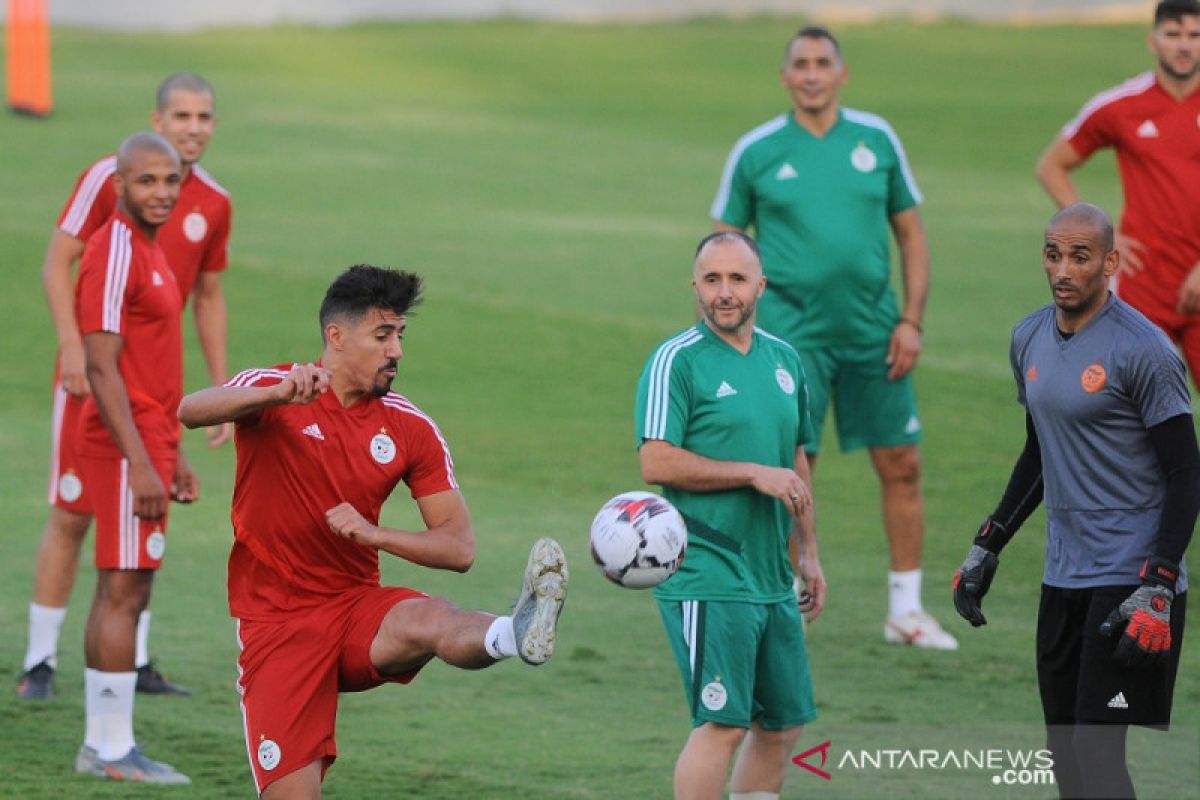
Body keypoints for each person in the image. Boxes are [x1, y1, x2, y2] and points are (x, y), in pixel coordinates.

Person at [176, 264, 568, 797]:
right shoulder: (272, 388)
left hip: (355, 608)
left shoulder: (410, 426)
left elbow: (459, 547)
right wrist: (275, 397)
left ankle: (514, 634)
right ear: (336, 337)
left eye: (400, 335)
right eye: (383, 335)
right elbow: (191, 410)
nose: (397, 351)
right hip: (277, 625)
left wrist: (375, 535)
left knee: (432, 617)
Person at [710, 25, 955, 649]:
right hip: (792, 341)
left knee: (902, 463)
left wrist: (912, 320)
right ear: (785, 77)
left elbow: (912, 234)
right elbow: (722, 249)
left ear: (842, 73)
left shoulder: (876, 139)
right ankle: (790, 597)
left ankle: (906, 610)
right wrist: (736, 330)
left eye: (824, 62)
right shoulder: (758, 151)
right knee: (794, 470)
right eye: (801, 63)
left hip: (877, 332)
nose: (813, 73)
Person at [953, 203, 1200, 799]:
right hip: (1064, 575)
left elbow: (1187, 472)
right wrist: (988, 545)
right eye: (1052, 253)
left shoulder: (1145, 351)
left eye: (1080, 257)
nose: (1063, 269)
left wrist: (1160, 584)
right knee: (1064, 754)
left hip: (1132, 579)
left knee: (1097, 749)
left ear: (1110, 263)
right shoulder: (1029, 337)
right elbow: (1041, 453)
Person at [18, 71, 232, 699]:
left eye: (205, 117)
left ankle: (130, 663)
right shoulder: (110, 178)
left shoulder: (214, 203)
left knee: (138, 529)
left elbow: (208, 296)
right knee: (74, 510)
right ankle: (39, 660)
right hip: (95, 378)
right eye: (182, 116)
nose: (193, 128)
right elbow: (60, 259)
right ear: (157, 121)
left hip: (153, 390)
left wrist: (219, 390)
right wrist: (71, 348)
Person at [635, 231, 825, 800]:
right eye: (712, 279)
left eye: (737, 279)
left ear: (760, 286)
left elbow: (796, 463)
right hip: (707, 569)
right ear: (695, 286)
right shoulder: (677, 361)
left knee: (782, 723)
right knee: (722, 723)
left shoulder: (786, 361)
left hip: (770, 574)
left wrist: (809, 553)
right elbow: (655, 460)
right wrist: (749, 472)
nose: (724, 292)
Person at [69, 132, 197, 783]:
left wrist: (169, 453)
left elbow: (151, 366)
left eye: (170, 181)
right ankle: (111, 750)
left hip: (146, 444)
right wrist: (143, 462)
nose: (161, 193)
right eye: (147, 181)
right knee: (125, 591)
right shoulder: (114, 248)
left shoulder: (148, 249)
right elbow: (102, 365)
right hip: (125, 450)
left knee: (121, 589)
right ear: (118, 184)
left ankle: (103, 744)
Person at [1035, 0, 1200, 390]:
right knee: (1126, 404)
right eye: (1173, 34)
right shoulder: (1121, 105)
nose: (1184, 45)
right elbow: (1051, 165)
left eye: (1195, 35)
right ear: (1152, 40)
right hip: (1142, 281)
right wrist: (1100, 238)